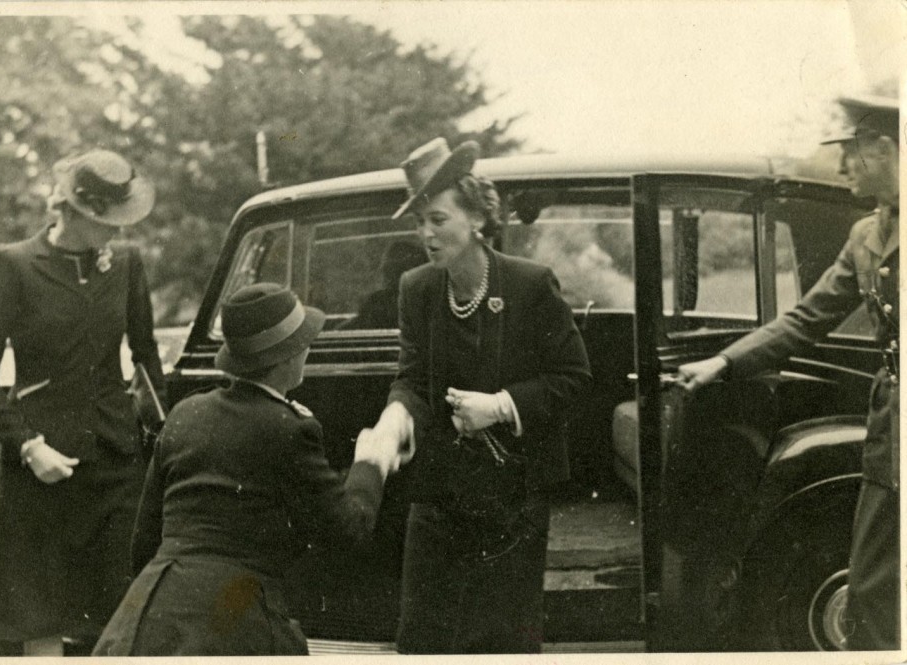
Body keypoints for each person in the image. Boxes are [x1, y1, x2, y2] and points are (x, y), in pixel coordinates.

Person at [676, 95, 899, 651]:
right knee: (871, 590)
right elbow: (806, 318)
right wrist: (724, 360)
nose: (845, 167)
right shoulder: (865, 237)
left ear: (887, 149)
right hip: (889, 436)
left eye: (853, 154)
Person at [366, 137, 592, 653]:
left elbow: (573, 376)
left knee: (502, 645)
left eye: (438, 219)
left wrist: (500, 406)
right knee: (424, 640)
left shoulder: (530, 285)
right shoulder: (417, 288)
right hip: (440, 494)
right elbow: (411, 377)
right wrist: (395, 417)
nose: (425, 233)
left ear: (476, 219)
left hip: (514, 497)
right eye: (419, 221)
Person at [92, 282, 404, 656]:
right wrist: (372, 461)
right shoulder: (290, 427)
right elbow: (348, 530)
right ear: (289, 356)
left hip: (148, 614)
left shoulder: (185, 413)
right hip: (232, 619)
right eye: (304, 342)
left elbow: (144, 540)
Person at [0, 149, 164, 656]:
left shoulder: (126, 263)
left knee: (122, 616)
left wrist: (157, 433)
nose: (117, 232)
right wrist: (27, 446)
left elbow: (146, 356)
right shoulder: (11, 263)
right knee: (40, 620)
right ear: (71, 212)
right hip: (41, 465)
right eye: (106, 221)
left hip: (115, 461)